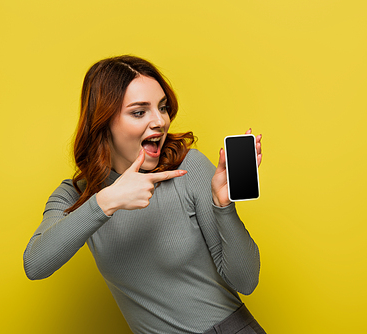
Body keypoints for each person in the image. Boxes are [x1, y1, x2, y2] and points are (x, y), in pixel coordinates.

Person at [23, 55, 266, 334]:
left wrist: (224, 207)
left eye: (162, 108)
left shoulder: (188, 168)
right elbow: (35, 264)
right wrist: (106, 201)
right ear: (104, 123)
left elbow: (246, 282)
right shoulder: (74, 196)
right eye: (140, 112)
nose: (160, 121)